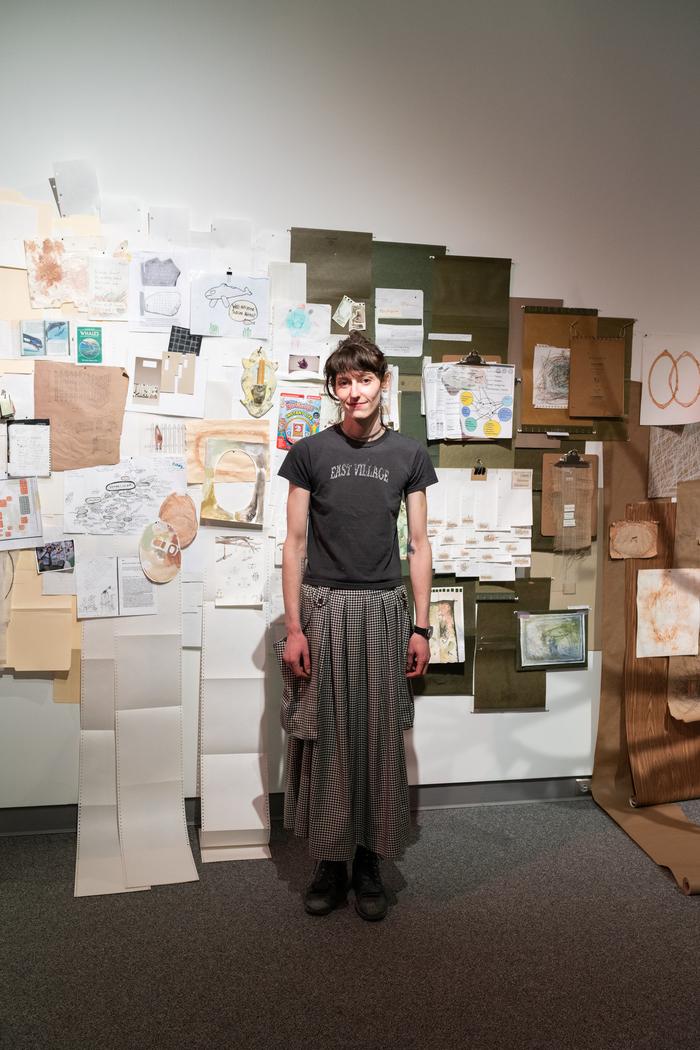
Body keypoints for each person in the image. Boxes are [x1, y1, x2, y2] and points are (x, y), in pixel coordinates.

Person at [278, 332, 437, 921]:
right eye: (343, 382)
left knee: (378, 741)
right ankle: (329, 860)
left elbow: (419, 545)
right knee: (324, 740)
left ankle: (370, 859)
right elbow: (294, 545)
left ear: (383, 383)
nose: (354, 392)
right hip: (323, 608)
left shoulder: (409, 455)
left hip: (383, 611)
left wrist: (422, 627)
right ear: (333, 388)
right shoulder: (309, 453)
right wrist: (295, 628)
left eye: (364, 380)